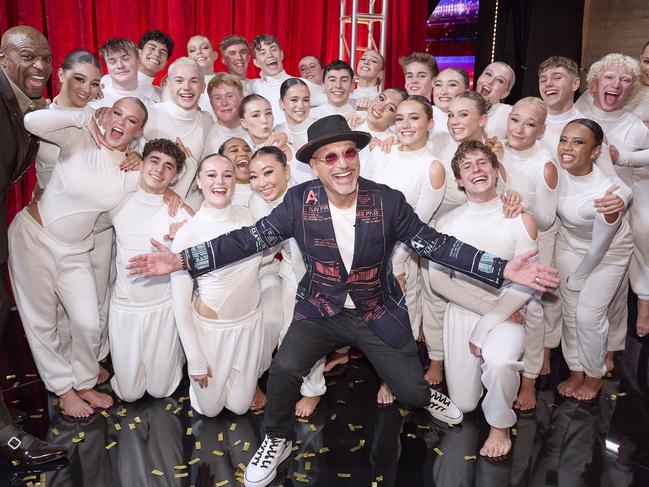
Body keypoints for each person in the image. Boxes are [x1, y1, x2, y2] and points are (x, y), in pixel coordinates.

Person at [127, 114, 559, 487]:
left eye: (348, 154)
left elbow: (436, 244)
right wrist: (183, 260)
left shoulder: (387, 202)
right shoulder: (299, 201)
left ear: (358, 157)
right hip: (320, 308)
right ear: (315, 165)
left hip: (376, 310)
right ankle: (276, 441)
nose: (342, 164)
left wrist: (502, 269)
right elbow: (248, 239)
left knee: (411, 390)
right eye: (329, 157)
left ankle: (427, 398)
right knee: (284, 371)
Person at [10, 96, 147, 418]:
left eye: (131, 120)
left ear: (138, 131)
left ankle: (85, 381)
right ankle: (64, 390)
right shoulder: (78, 137)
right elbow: (31, 123)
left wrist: (142, 164)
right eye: (117, 113)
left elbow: (108, 218)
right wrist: (82, 116)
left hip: (75, 251)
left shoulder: (130, 172)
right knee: (41, 322)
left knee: (88, 320)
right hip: (33, 238)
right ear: (107, 113)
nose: (120, 122)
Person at [429, 139, 538, 458]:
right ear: (460, 181)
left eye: (482, 163)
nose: (476, 169)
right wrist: (488, 311)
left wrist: (495, 316)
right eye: (467, 166)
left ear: (495, 170)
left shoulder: (520, 218)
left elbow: (527, 282)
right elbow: (438, 280)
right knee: (462, 404)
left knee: (501, 363)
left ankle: (500, 425)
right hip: (463, 311)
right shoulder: (446, 224)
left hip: (509, 311)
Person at [0, 24, 66, 466]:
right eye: (28, 56)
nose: (40, 65)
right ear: (3, 58)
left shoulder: (26, 104)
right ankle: (6, 437)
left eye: (45, 56)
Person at [364, 95, 446, 403]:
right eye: (399, 118)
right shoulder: (382, 154)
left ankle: (392, 378)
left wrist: (393, 265)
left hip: (400, 255)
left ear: (430, 124)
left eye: (414, 118)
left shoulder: (432, 168)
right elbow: (363, 201)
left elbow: (416, 227)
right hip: (367, 248)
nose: (405, 124)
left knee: (401, 317)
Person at [170, 153, 265, 417]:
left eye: (227, 175)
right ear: (199, 181)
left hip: (249, 326)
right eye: (211, 175)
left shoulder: (250, 218)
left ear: (236, 181)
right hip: (211, 333)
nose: (220, 182)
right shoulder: (187, 233)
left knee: (239, 407)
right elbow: (180, 305)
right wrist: (195, 359)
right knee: (209, 411)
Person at [106, 139, 192, 402]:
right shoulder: (117, 202)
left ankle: (175, 354)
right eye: (154, 161)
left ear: (175, 176)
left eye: (169, 166)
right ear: (141, 164)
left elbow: (206, 250)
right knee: (129, 394)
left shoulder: (179, 211)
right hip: (125, 308)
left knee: (160, 390)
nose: (159, 169)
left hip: (162, 309)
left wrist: (185, 239)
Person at [554, 119, 633, 401]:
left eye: (578, 142)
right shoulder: (557, 166)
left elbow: (599, 248)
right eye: (564, 139)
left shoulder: (606, 195)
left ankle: (594, 375)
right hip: (569, 243)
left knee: (588, 314)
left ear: (595, 151)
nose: (567, 148)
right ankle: (576, 370)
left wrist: (578, 278)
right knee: (569, 311)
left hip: (608, 251)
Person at [248, 146, 325, 417]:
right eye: (254, 177)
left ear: (287, 170)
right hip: (291, 269)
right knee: (283, 328)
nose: (261, 182)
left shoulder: (311, 195)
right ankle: (282, 380)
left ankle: (312, 391)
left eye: (268, 172)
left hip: (321, 273)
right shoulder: (256, 201)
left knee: (311, 330)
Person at [577, 53, 649, 341]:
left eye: (625, 80)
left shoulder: (635, 124)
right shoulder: (578, 114)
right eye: (609, 77)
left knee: (641, 230)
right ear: (594, 84)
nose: (616, 84)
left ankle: (640, 304)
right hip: (581, 207)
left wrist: (625, 157)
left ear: (631, 89)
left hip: (622, 202)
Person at [500, 96, 558, 409]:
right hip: (499, 238)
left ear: (541, 130)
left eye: (530, 124)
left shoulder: (545, 164)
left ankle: (530, 380)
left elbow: (548, 218)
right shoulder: (495, 148)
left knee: (532, 309)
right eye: (515, 119)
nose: (520, 129)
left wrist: (521, 206)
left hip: (533, 241)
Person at [144, 57, 212, 211]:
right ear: (168, 83)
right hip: (147, 205)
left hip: (185, 208)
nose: (186, 87)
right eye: (179, 80)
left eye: (194, 81)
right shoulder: (150, 115)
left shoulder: (207, 121)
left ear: (203, 87)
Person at [91, 37, 156, 108]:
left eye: (126, 59)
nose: (120, 65)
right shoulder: (93, 102)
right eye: (112, 62)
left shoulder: (153, 105)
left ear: (138, 60)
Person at [249, 34, 291, 125]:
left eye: (273, 49)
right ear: (256, 63)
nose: (270, 55)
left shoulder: (298, 84)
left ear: (282, 54)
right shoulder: (252, 86)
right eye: (263, 53)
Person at [203, 73, 248, 155]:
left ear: (242, 99)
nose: (224, 103)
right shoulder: (205, 136)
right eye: (217, 98)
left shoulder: (256, 130)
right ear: (211, 104)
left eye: (230, 96)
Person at [475, 61, 515, 140]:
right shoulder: (458, 105)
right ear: (479, 79)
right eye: (488, 74)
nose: (490, 82)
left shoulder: (511, 114)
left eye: (500, 80)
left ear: (505, 93)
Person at [274, 78, 315, 150]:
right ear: (281, 103)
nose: (301, 106)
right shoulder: (278, 130)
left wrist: (288, 137)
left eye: (306, 100)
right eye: (294, 100)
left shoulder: (322, 127)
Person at [432, 68, 470, 134]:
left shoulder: (475, 119)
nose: (443, 91)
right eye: (438, 85)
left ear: (466, 92)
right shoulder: (422, 115)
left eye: (452, 85)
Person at [218, 137, 254, 206]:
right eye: (234, 150)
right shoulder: (219, 195)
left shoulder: (267, 186)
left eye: (247, 150)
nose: (243, 153)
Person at [187, 35, 217, 114]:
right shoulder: (182, 85)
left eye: (204, 48)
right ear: (188, 59)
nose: (199, 52)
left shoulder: (229, 82)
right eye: (192, 50)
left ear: (215, 55)